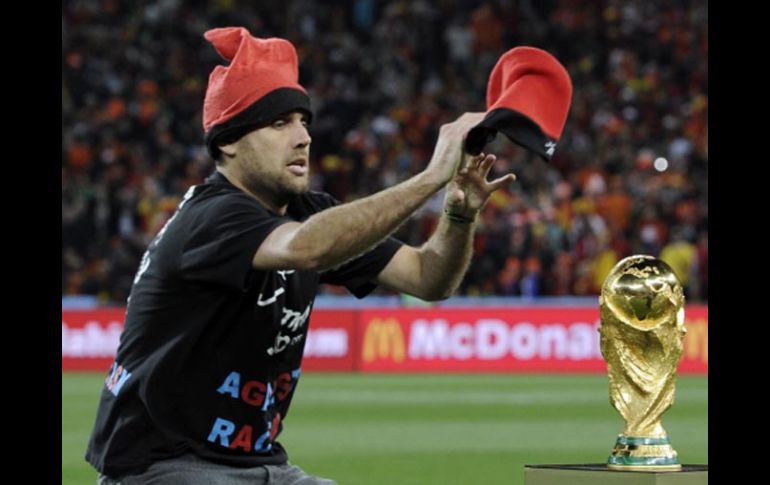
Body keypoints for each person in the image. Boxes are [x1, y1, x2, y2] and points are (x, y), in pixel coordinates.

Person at [85, 27, 515, 485]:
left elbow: (429, 277)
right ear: (228, 142)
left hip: (262, 466)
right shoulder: (212, 217)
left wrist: (458, 215)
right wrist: (431, 177)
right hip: (163, 467)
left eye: (303, 120)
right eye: (279, 123)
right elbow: (306, 248)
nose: (303, 136)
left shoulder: (310, 213)